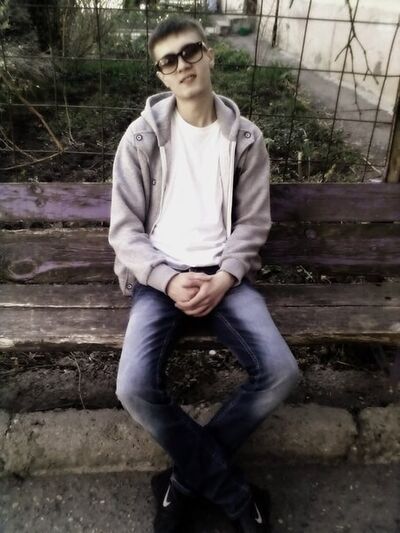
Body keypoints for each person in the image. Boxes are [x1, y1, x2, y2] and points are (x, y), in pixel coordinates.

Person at [108, 15, 300, 533]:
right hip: (159, 280)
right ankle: (234, 494)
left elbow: (253, 223)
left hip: (224, 278)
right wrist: (167, 278)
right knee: (133, 387)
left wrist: (225, 277)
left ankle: (183, 484)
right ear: (160, 74)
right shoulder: (141, 137)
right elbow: (124, 231)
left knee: (281, 373)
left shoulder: (247, 139)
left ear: (209, 53)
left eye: (190, 52)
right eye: (168, 61)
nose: (182, 66)